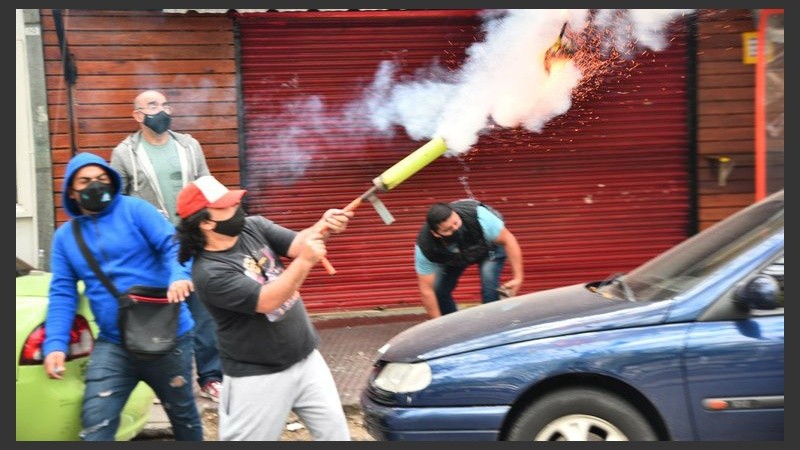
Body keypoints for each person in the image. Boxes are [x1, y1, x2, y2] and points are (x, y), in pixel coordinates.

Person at [174, 175, 354, 441]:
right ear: (206, 223)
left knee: (336, 437)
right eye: (227, 206)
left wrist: (323, 224)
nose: (238, 208)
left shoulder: (252, 226)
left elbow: (297, 244)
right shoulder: (210, 272)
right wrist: (305, 263)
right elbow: (268, 300)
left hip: (306, 359)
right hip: (257, 377)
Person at [42, 152, 203, 441]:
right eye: (86, 181)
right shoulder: (66, 237)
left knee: (184, 418)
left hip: (169, 337)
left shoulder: (136, 210)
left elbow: (173, 246)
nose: (95, 185)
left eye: (102, 179)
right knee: (96, 421)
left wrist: (178, 275)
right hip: (114, 344)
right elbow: (62, 293)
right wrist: (55, 343)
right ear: (71, 190)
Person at [110, 89, 223, 402]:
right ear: (137, 115)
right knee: (161, 313)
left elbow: (207, 185)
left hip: (192, 239)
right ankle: (166, 381)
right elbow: (119, 202)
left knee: (202, 312)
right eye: (153, 105)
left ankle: (211, 378)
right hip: (152, 246)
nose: (162, 110)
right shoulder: (124, 152)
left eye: (165, 104)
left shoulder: (188, 145)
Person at [415, 199, 524, 318]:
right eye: (448, 230)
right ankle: (451, 326)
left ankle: (492, 325)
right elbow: (427, 290)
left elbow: (509, 240)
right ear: (436, 233)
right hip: (454, 257)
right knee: (439, 291)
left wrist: (518, 278)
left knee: (489, 284)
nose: (455, 229)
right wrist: (437, 325)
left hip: (488, 248)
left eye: (456, 223)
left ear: (455, 213)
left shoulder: (479, 217)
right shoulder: (426, 247)